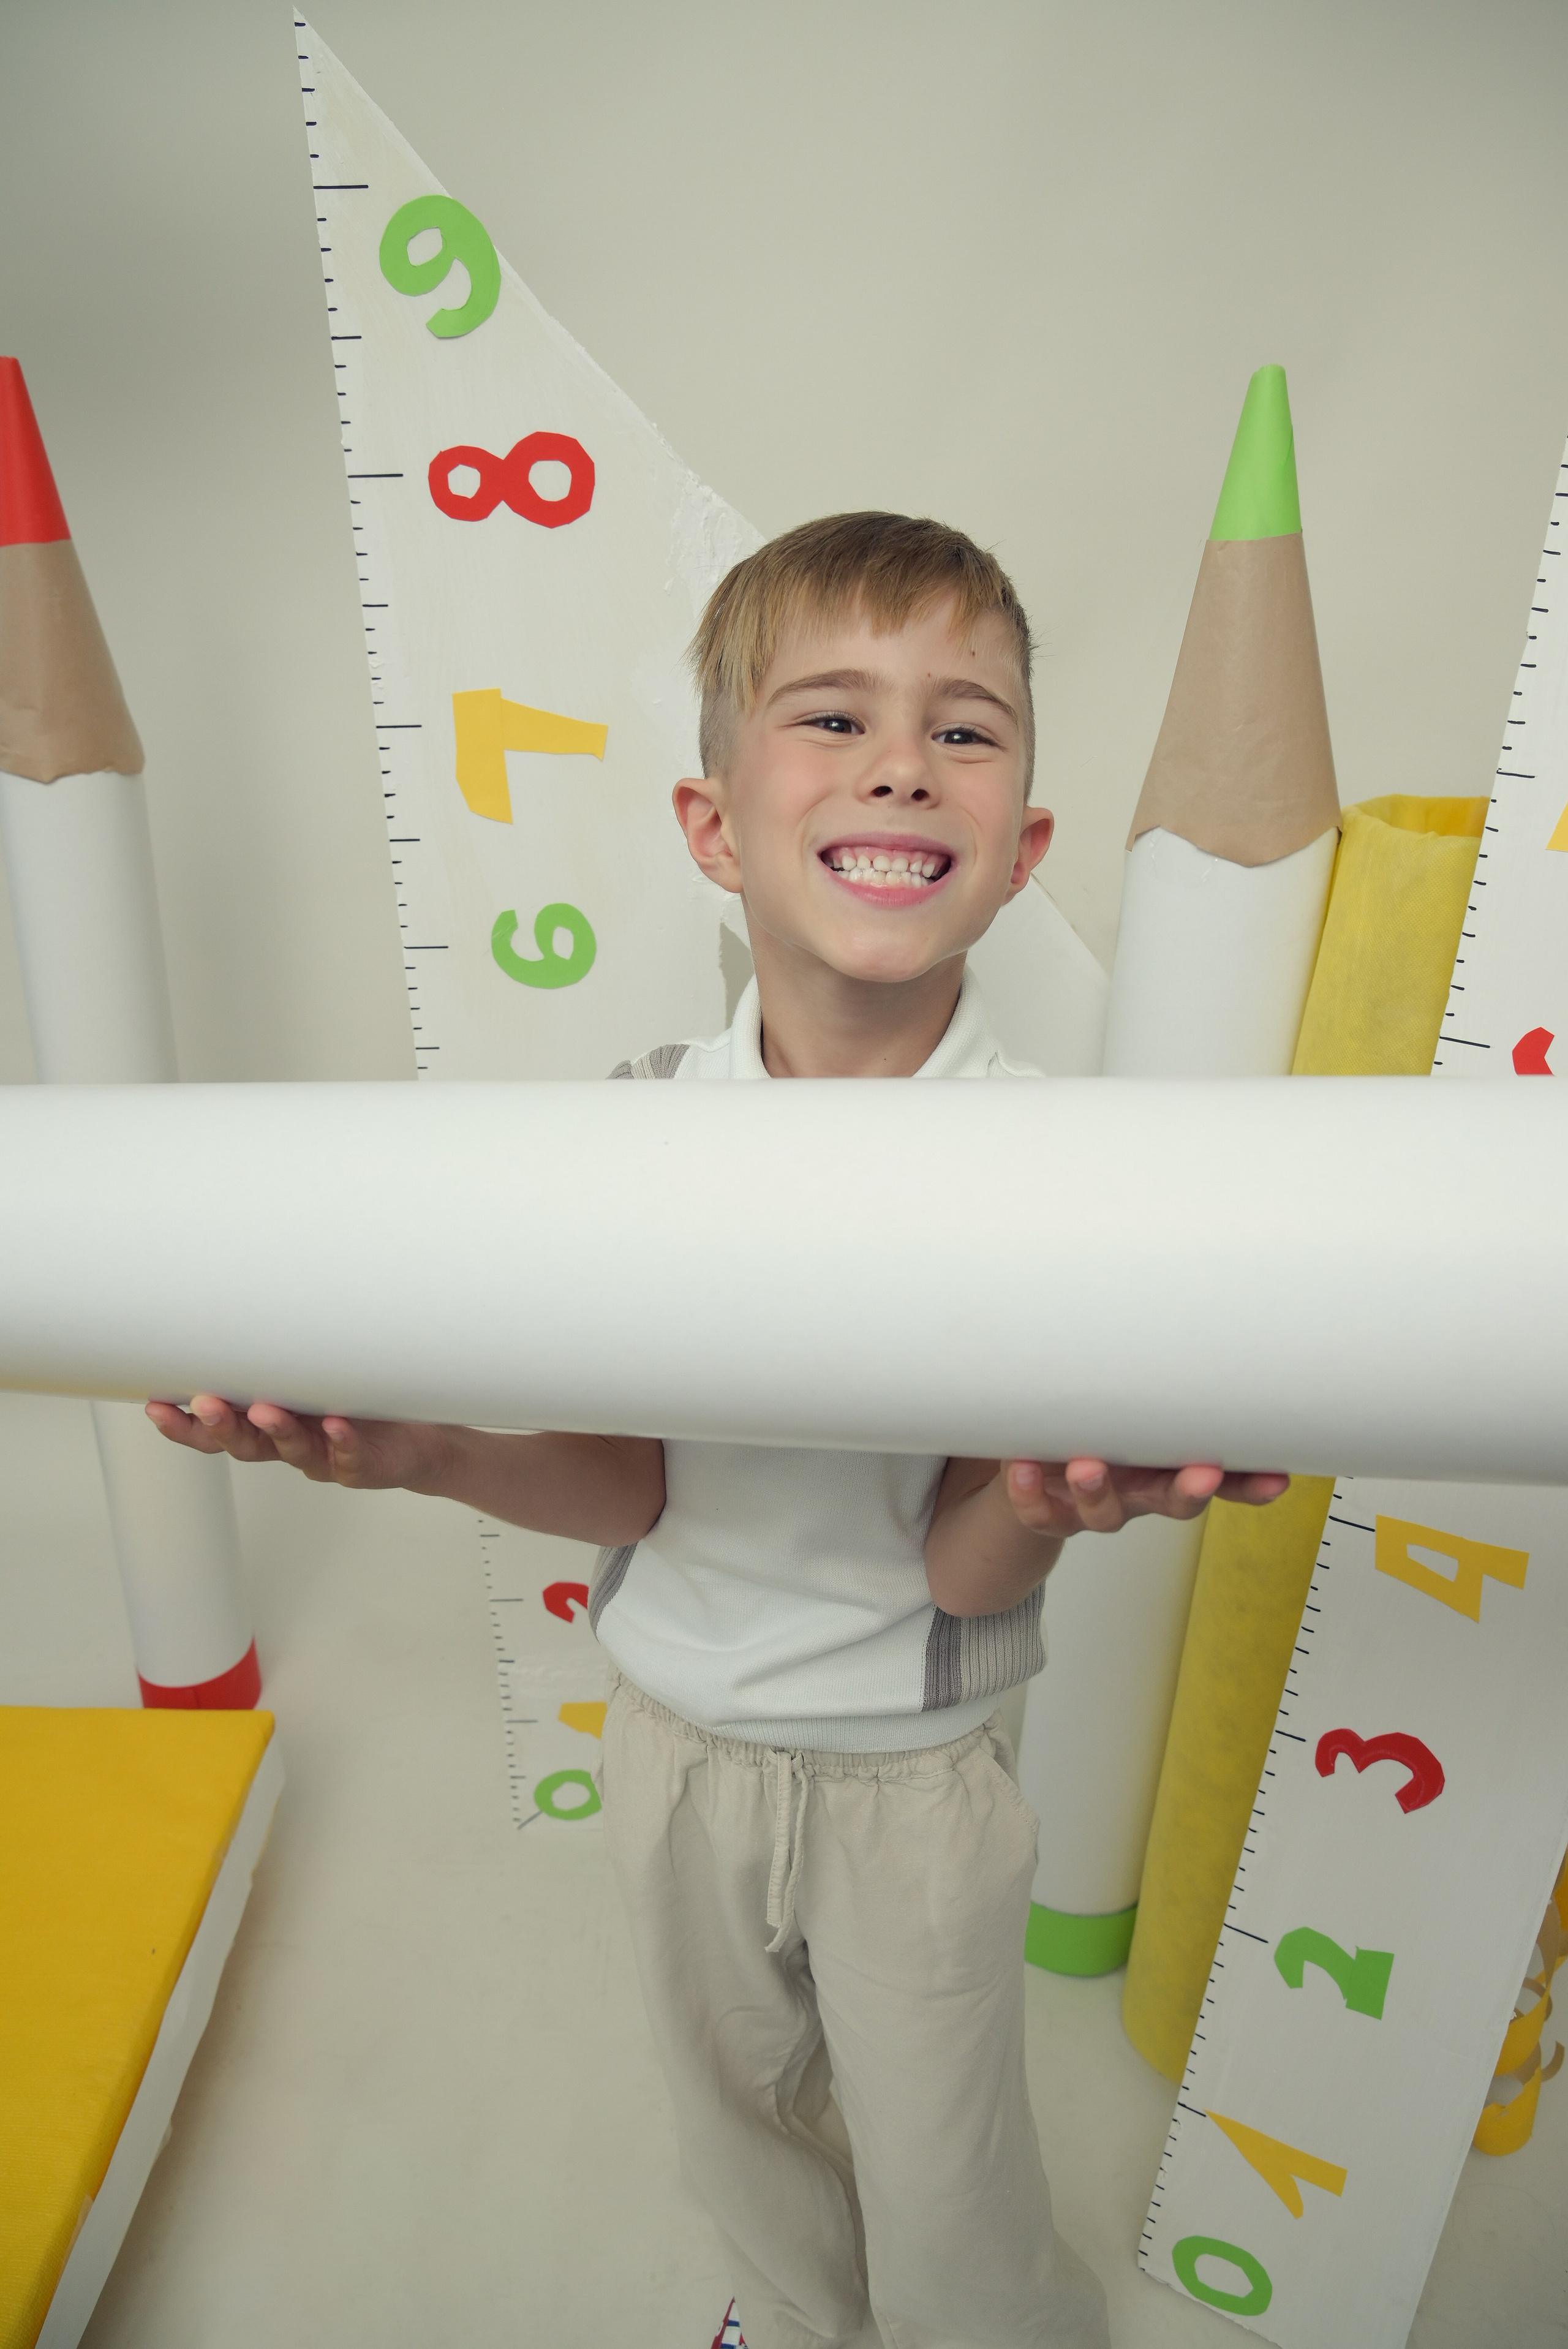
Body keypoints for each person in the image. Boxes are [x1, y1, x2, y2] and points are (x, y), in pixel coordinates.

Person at [151, 512, 1286, 2349]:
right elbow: (636, 1480)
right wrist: (419, 1450)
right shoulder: (643, 1132)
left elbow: (954, 1556)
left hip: (907, 1776)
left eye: (965, 728)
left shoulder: (1058, 1174)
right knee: (734, 2114)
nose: (903, 759)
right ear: (714, 824)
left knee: (944, 2168)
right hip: (672, 1736)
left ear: (1018, 856)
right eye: (832, 718)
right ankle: (789, 2313)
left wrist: (1048, 1499)